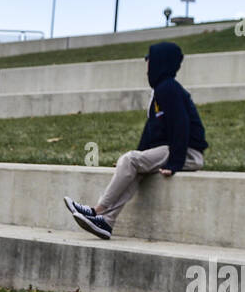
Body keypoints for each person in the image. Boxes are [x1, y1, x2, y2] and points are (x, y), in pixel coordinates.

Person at [65, 41, 208, 240]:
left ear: (160, 61)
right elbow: (151, 130)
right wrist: (141, 154)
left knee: (130, 160)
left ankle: (96, 211)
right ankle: (106, 223)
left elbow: (181, 125)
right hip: (175, 150)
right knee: (132, 165)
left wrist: (175, 162)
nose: (146, 64)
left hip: (188, 153)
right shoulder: (161, 90)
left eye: (149, 59)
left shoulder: (169, 89)